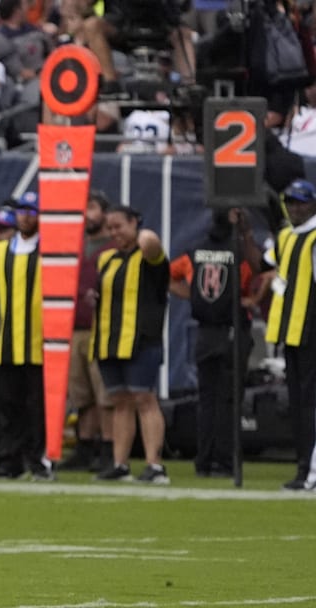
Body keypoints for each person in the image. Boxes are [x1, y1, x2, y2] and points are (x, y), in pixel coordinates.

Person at [170, 208, 260, 478]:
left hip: (205, 332)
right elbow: (262, 272)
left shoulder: (195, 251)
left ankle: (204, 460)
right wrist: (252, 301)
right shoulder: (239, 254)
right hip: (232, 330)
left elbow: (168, 274)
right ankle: (225, 461)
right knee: (229, 400)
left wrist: (195, 296)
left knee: (206, 400)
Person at [90, 206, 170, 484]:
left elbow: (151, 243)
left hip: (141, 339)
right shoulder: (107, 259)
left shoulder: (149, 258)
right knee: (120, 402)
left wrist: (140, 232)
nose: (114, 233)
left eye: (119, 226)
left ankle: (154, 464)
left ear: (134, 223)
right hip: (109, 340)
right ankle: (120, 463)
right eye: (109, 229)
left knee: (144, 399)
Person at [0, 192, 51, 480]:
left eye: (32, 210)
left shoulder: (50, 251)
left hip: (39, 342)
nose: (25, 215)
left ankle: (38, 460)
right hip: (8, 341)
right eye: (22, 210)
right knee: (9, 404)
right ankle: (11, 460)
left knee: (37, 406)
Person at [262, 180, 316, 491]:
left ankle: (307, 470)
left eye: (301, 202)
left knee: (309, 404)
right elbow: (261, 263)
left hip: (311, 330)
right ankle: (302, 466)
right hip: (291, 332)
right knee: (298, 403)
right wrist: (244, 231)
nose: (295, 207)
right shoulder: (285, 236)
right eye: (291, 202)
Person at [59, 191, 114, 472]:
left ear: (104, 212)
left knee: (105, 395)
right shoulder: (76, 246)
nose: (87, 214)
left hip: (102, 328)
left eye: (92, 207)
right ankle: (85, 447)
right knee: (81, 396)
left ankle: (108, 450)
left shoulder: (114, 247)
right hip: (75, 327)